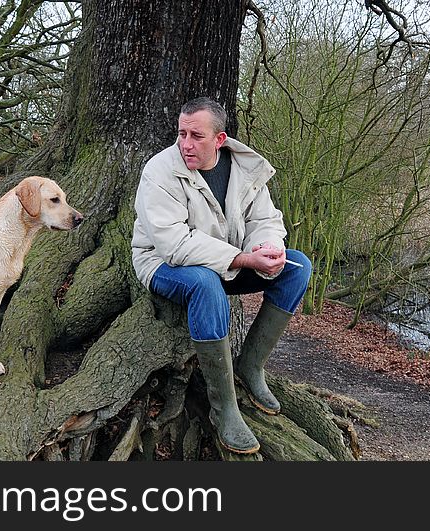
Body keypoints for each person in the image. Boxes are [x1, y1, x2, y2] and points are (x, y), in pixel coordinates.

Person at [131, 97, 312, 454]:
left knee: (298, 266)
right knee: (204, 282)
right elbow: (175, 245)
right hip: (165, 265)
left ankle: (251, 367)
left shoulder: (245, 168)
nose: (185, 143)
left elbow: (265, 220)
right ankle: (224, 408)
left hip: (231, 260)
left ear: (219, 139)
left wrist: (269, 249)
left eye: (196, 135)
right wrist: (246, 259)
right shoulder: (159, 171)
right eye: (181, 133)